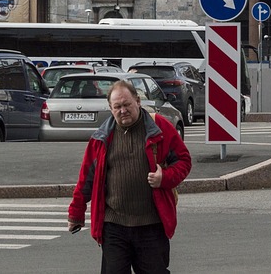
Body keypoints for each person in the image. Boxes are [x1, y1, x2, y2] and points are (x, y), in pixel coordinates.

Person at [68, 80, 192, 273]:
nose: (123, 110)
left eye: (127, 105)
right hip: (114, 225)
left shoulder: (159, 127)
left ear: (138, 101)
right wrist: (76, 212)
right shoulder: (101, 138)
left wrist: (165, 178)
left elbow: (184, 161)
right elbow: (86, 178)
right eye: (117, 106)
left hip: (151, 224)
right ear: (110, 108)